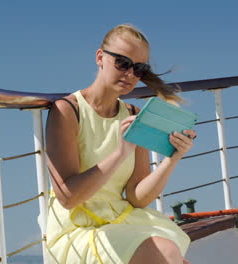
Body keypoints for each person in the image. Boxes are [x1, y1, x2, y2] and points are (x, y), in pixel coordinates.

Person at [45, 24, 196, 264]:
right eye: (122, 63)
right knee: (166, 254)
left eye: (139, 68)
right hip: (79, 228)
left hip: (121, 221)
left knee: (169, 255)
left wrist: (172, 159)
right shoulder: (68, 111)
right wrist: (119, 153)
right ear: (100, 57)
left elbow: (137, 197)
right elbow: (68, 198)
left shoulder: (133, 114)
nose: (130, 74)